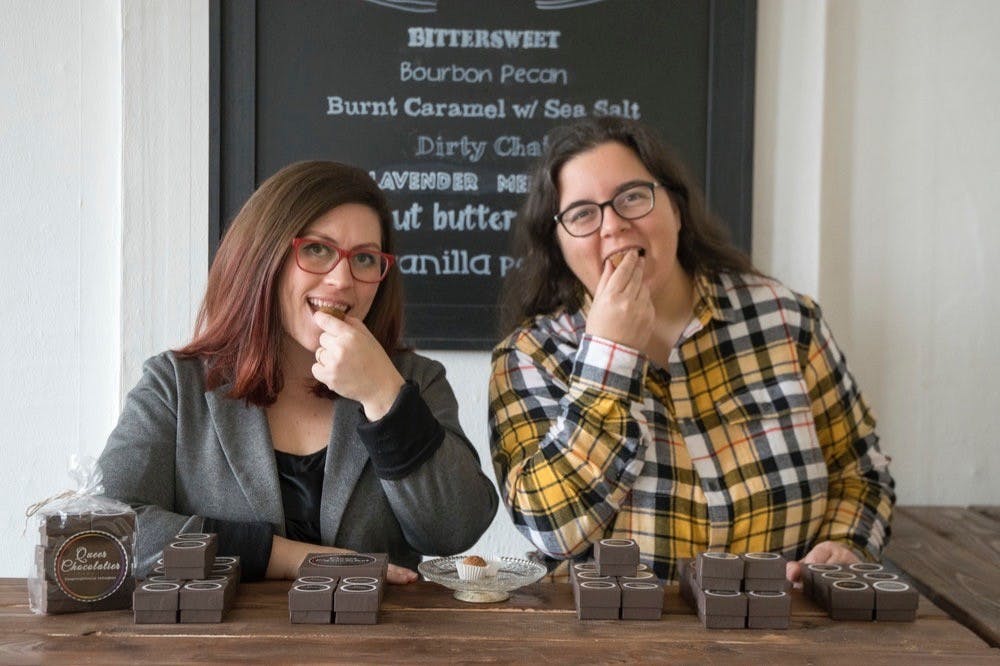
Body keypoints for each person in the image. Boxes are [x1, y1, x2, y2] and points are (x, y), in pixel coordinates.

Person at [489, 117, 894, 583]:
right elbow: (550, 530)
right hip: (612, 627)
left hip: (783, 619)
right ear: (559, 246)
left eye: (632, 197)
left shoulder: (787, 321)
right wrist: (609, 357)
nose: (613, 226)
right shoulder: (529, 357)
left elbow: (860, 471)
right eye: (582, 214)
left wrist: (845, 543)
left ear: (677, 210)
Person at [99, 160, 498, 583]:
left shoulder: (412, 381)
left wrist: (384, 397)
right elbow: (106, 532)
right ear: (263, 257)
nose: (342, 280)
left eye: (365, 258)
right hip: (217, 628)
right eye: (317, 249)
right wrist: (286, 556)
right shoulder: (176, 386)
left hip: (377, 628)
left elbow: (454, 531)